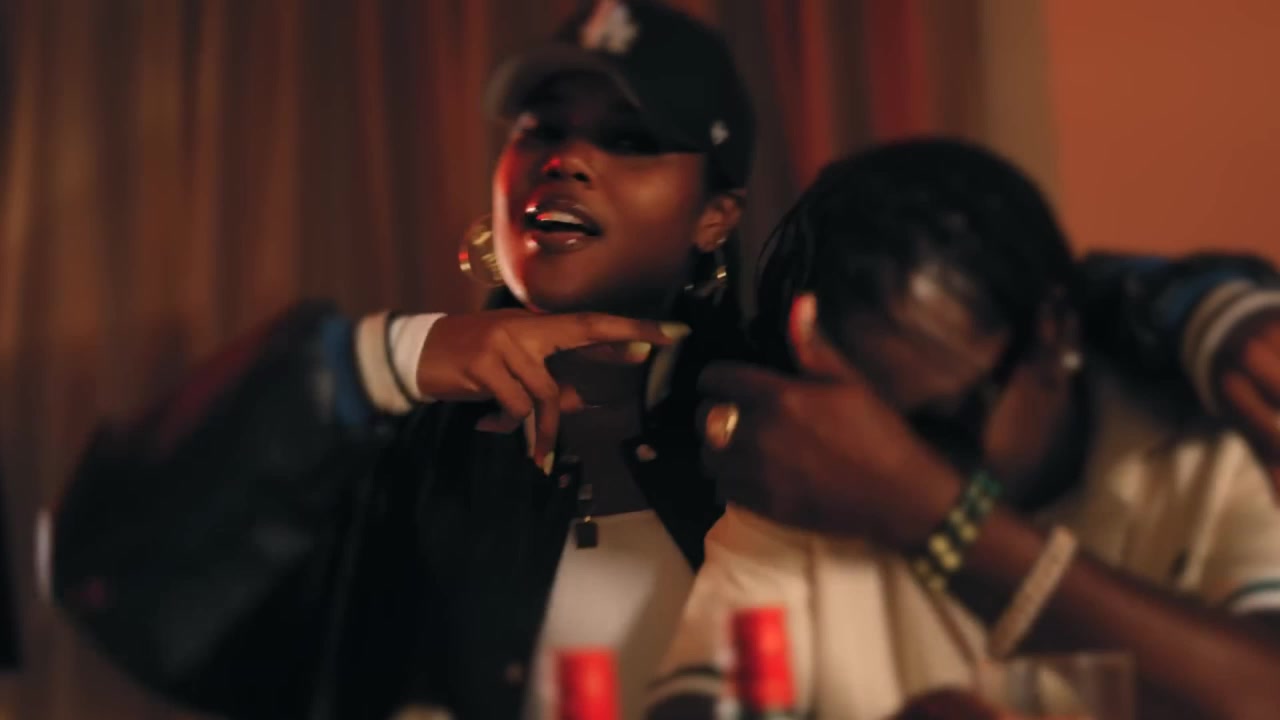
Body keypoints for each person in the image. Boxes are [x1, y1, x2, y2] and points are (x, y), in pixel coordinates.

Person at [43, 1, 1280, 718]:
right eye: (540, 127)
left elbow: (1005, 292)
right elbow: (113, 571)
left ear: (713, 216)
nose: (565, 159)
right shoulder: (405, 443)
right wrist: (391, 354)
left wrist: (1200, 305)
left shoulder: (795, 411)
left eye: (629, 138)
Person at [650, 139, 1280, 719]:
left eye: (941, 422)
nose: (877, 462)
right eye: (864, 431)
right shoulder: (816, 467)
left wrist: (939, 516)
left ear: (1053, 331)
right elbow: (700, 703)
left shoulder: (1215, 442)